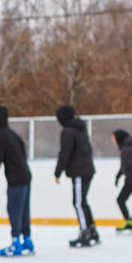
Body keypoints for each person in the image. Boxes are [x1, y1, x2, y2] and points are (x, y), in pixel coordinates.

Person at [0, 106, 33, 256]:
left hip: (16, 179)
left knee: (14, 210)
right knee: (24, 210)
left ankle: (15, 243)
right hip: (26, 176)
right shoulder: (13, 134)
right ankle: (27, 239)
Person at [54, 105, 98, 248]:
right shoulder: (81, 129)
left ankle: (85, 232)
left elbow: (64, 152)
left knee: (78, 202)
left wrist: (57, 172)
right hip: (87, 170)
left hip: (80, 171)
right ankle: (92, 231)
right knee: (83, 201)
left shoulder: (67, 132)